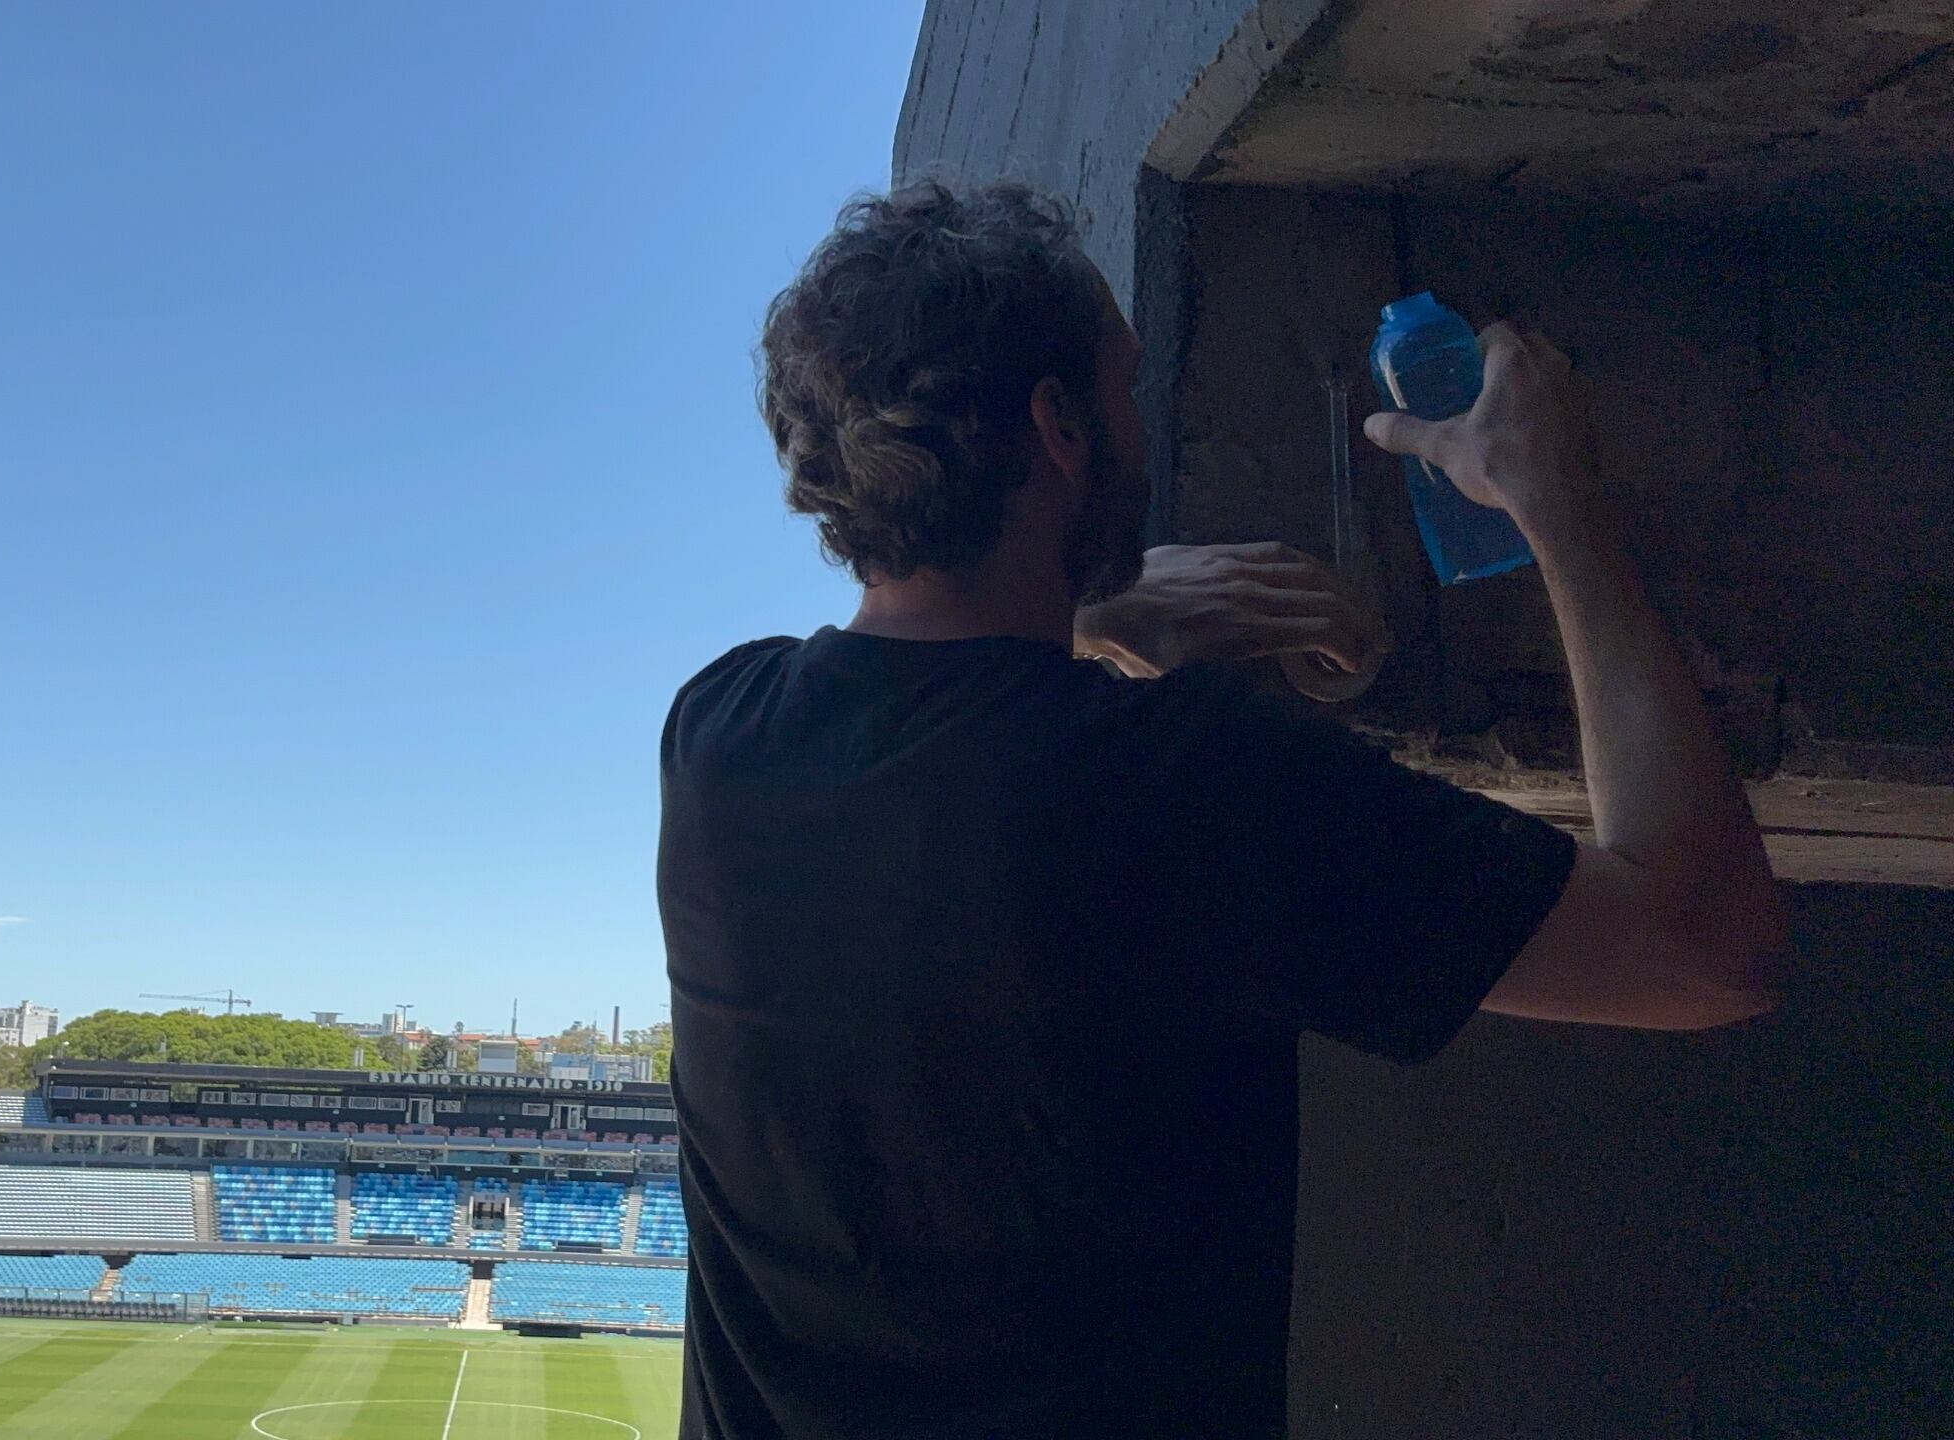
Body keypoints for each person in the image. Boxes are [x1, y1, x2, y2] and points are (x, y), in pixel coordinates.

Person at [656, 183, 1784, 1438]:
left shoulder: (717, 738)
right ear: (1056, 427)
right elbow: (1701, 949)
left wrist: (1083, 616)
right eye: (1123, 391)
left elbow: (942, 745)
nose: (1138, 423)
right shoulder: (1185, 781)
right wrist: (1558, 501)